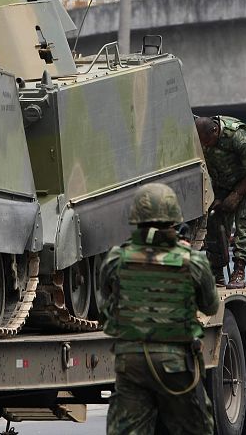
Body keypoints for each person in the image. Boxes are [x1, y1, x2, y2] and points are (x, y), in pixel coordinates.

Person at [99, 183, 219, 435]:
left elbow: (108, 301)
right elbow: (210, 306)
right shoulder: (192, 261)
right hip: (174, 361)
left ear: (136, 219)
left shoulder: (116, 259)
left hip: (130, 361)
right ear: (174, 219)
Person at [196, 115, 246, 289]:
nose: (205, 145)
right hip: (222, 182)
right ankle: (216, 273)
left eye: (207, 141)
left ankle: (239, 271)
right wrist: (218, 197)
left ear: (215, 131)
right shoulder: (202, 138)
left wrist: (237, 195)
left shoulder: (237, 137)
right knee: (214, 222)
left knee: (244, 224)